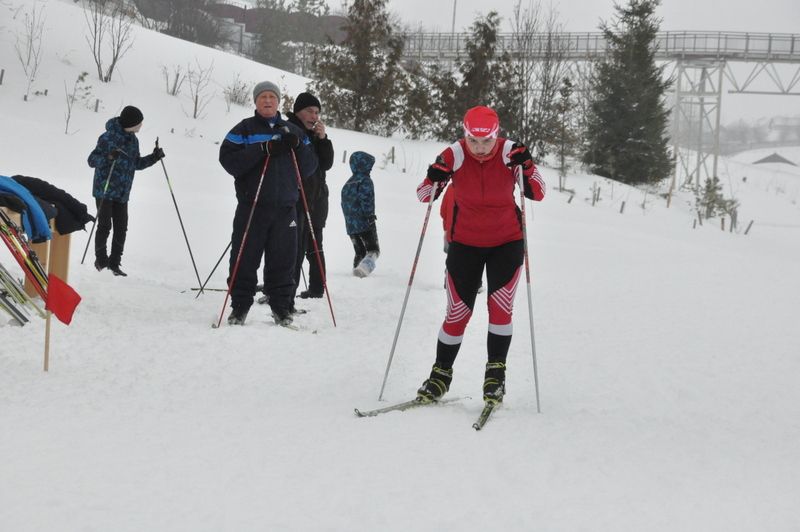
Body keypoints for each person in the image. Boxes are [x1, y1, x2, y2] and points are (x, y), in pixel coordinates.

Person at [414, 105, 545, 405]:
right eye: (474, 140)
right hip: (465, 244)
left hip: (506, 242)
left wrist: (527, 167)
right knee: (457, 313)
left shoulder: (510, 152)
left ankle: (495, 377)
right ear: (466, 135)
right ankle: (440, 376)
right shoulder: (455, 154)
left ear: (496, 136)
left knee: (500, 309)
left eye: (486, 141)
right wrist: (434, 175)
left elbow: (537, 193)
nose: (480, 148)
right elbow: (424, 196)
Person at [219, 81, 317, 326]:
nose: (267, 101)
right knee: (244, 259)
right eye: (262, 97)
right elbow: (229, 162)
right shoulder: (244, 129)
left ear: (278, 102)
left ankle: (282, 308)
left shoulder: (293, 130)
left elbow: (309, 166)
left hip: (285, 207)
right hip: (252, 207)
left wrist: (296, 147)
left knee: (283, 260)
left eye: (272, 97)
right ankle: (239, 307)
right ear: (255, 101)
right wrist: (263, 149)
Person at [259, 92, 334, 302]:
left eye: (317, 112)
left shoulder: (315, 135)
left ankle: (316, 287)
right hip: (294, 197)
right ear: (298, 112)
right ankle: (280, 290)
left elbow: (326, 164)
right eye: (310, 111)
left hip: (316, 198)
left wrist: (323, 139)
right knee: (289, 247)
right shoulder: (290, 129)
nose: (314, 116)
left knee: (313, 244)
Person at [87, 105, 164, 276]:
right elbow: (92, 160)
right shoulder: (108, 138)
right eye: (139, 123)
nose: (141, 126)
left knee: (121, 227)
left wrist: (154, 157)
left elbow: (136, 164)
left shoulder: (133, 140)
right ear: (130, 123)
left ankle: (114, 264)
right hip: (104, 189)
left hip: (122, 192)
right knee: (105, 225)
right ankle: (101, 260)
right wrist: (108, 158)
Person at [341, 151, 379, 277]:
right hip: (364, 223)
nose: (371, 168)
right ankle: (363, 270)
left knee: (359, 251)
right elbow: (366, 199)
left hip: (351, 226)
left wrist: (349, 221)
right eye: (369, 165)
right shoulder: (365, 180)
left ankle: (356, 270)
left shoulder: (348, 183)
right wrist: (369, 216)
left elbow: (344, 204)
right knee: (373, 250)